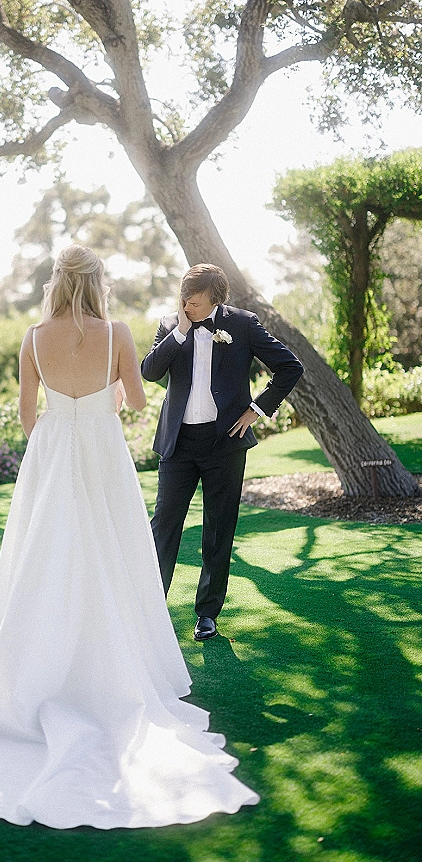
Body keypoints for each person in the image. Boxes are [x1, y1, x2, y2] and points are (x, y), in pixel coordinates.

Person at [0, 245, 259, 829]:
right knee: (112, 554)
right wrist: (107, 399)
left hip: (53, 452)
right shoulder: (116, 331)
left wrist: (57, 434)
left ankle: (38, 667)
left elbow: (26, 413)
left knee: (45, 558)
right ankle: (115, 666)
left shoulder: (34, 335)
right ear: (98, 284)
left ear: (57, 283)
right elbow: (137, 400)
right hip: (103, 455)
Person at [141, 263, 303, 641]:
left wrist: (257, 410)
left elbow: (289, 367)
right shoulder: (169, 325)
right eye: (184, 298)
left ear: (215, 299)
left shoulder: (243, 324)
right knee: (163, 525)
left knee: (218, 529)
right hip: (177, 444)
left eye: (194, 302)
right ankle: (148, 606)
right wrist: (180, 331)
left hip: (225, 443)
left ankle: (207, 613)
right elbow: (150, 372)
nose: (187, 306)